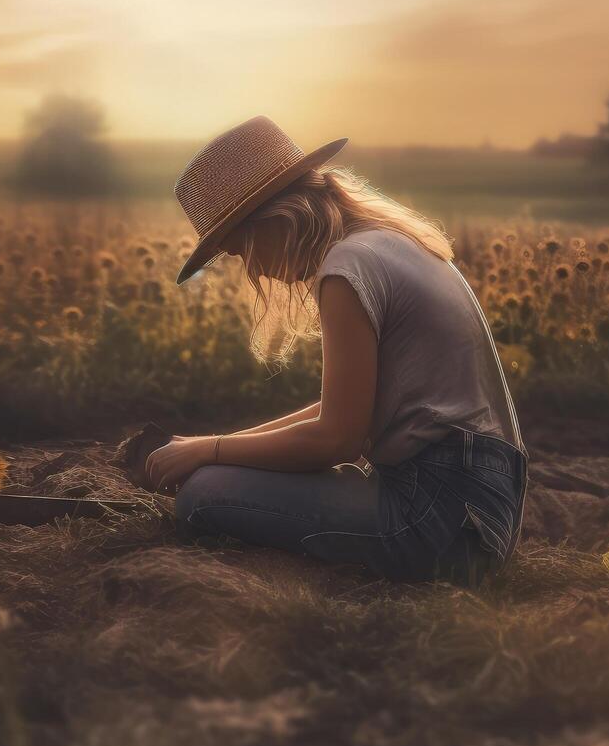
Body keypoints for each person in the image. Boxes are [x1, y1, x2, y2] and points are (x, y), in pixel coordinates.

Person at [145, 115, 529, 586]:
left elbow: (336, 441)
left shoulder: (345, 270)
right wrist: (215, 447)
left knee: (203, 496)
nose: (249, 267)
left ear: (271, 221)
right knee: (214, 473)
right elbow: (342, 411)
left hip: (435, 517)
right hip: (480, 509)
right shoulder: (387, 244)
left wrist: (213, 453)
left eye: (238, 249)